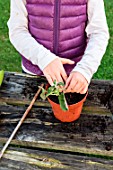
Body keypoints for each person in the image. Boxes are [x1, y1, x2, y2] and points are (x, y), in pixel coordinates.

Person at [7, 0, 109, 94]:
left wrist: (85, 69)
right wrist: (44, 59)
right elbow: (17, 30)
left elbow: (98, 32)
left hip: (75, 76)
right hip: (34, 74)